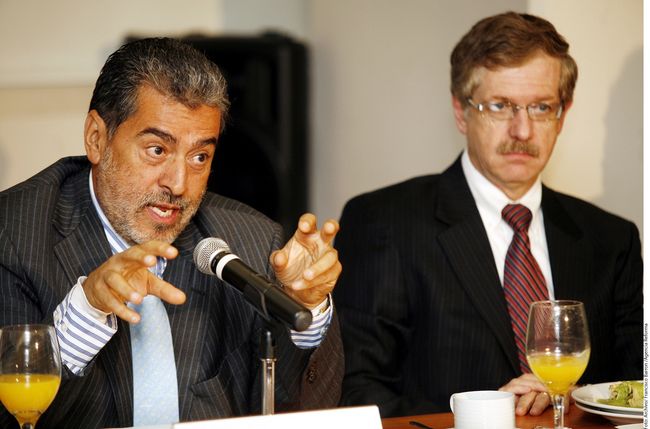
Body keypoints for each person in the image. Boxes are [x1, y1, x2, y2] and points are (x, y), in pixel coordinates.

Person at [0, 38, 343, 428]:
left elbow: (305, 414)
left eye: (199, 157)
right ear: (97, 138)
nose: (179, 184)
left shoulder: (250, 241)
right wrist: (87, 310)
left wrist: (306, 308)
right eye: (157, 150)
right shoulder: (13, 235)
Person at [334, 11, 642, 418]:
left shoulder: (611, 239)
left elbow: (637, 387)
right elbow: (357, 392)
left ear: (563, 115)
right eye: (500, 106)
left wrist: (576, 399)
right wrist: (484, 412)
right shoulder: (384, 222)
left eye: (541, 107)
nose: (522, 131)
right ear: (460, 111)